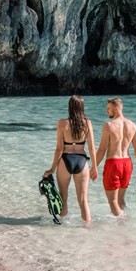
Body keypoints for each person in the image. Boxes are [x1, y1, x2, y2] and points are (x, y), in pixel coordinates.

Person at [44, 95, 98, 223]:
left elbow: (59, 149)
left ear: (70, 107)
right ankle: (88, 230)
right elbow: (91, 148)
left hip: (65, 160)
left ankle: (62, 230)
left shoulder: (62, 123)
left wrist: (52, 169)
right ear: (82, 107)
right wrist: (94, 168)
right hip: (82, 161)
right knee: (83, 200)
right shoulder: (87, 123)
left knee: (63, 197)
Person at [95, 97, 136, 216]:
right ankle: (127, 223)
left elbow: (102, 149)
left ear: (116, 109)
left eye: (108, 108)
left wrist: (94, 167)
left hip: (114, 164)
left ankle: (122, 226)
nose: (106, 111)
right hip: (127, 164)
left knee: (112, 202)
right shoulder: (133, 126)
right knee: (120, 200)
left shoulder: (108, 125)